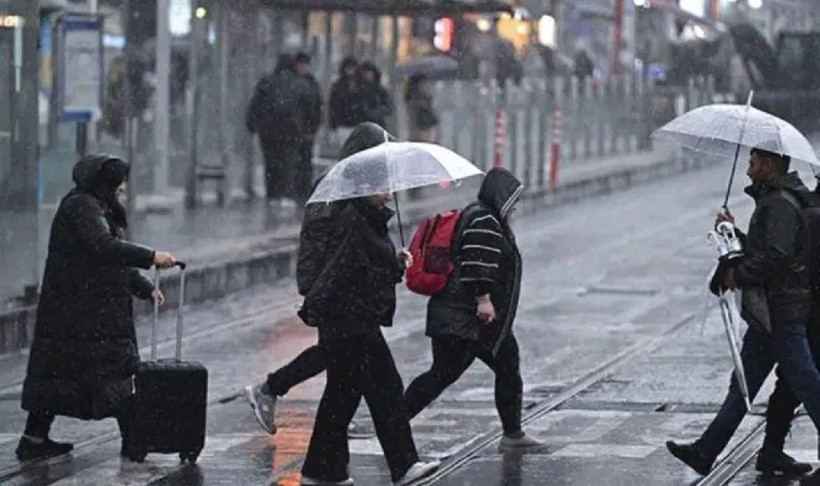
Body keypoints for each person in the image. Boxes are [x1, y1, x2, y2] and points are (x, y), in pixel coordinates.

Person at [667, 148, 820, 477]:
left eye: (753, 164)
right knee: (744, 385)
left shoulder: (779, 203)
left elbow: (776, 257)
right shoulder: (774, 200)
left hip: (782, 312)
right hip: (769, 314)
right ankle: (705, 451)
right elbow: (765, 249)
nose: (748, 171)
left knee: (807, 384)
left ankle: (711, 450)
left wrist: (738, 274)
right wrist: (732, 233)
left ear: (769, 165)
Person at [292, 151, 439, 486]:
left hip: (350, 321)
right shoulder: (355, 221)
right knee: (386, 389)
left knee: (341, 398)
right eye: (381, 186)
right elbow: (343, 269)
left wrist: (393, 261)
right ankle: (404, 465)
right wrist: (314, 307)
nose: (388, 192)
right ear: (364, 188)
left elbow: (366, 265)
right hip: (351, 322)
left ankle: (319, 470)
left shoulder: (366, 218)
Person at [17, 154, 177, 461]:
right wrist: (150, 256)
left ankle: (34, 439)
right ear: (103, 184)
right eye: (116, 187)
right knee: (112, 376)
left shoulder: (92, 206)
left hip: (78, 314)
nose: (120, 193)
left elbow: (108, 260)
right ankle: (135, 442)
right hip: (86, 315)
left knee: (57, 377)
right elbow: (103, 248)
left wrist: (143, 286)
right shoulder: (82, 207)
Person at [243, 122, 396, 439]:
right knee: (345, 355)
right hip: (335, 288)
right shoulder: (339, 188)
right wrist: (317, 287)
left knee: (340, 355)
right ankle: (273, 390)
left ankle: (319, 412)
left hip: (340, 288)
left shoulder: (352, 186)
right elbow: (330, 243)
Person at [401, 167, 544, 452]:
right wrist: (483, 298)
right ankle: (394, 423)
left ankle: (513, 433)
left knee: (505, 366)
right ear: (502, 196)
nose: (515, 206)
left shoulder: (482, 216)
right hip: (467, 318)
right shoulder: (484, 221)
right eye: (513, 199)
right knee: (443, 374)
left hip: (474, 319)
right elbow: (476, 263)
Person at [246, 53, 310, 208]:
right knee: (287, 163)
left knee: (271, 163)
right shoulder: (299, 83)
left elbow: (255, 105)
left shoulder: (266, 81)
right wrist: (306, 128)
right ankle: (285, 195)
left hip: (268, 132)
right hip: (291, 131)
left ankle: (272, 194)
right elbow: (308, 107)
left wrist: (252, 125)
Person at [295, 52, 324, 204]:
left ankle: (303, 190)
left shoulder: (310, 83)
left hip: (306, 130)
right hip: (297, 130)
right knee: (299, 160)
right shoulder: (304, 83)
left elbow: (317, 107)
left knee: (305, 160)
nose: (302, 67)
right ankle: (299, 190)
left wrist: (313, 126)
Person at [329, 57, 366, 145]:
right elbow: (333, 106)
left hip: (358, 124)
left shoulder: (362, 86)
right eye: (348, 68)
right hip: (343, 124)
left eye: (353, 68)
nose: (350, 71)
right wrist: (333, 126)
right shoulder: (338, 86)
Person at [358, 61, 393, 129]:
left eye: (369, 73)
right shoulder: (360, 90)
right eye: (365, 73)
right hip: (364, 125)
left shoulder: (380, 90)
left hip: (379, 124)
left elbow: (389, 107)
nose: (368, 75)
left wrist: (378, 112)